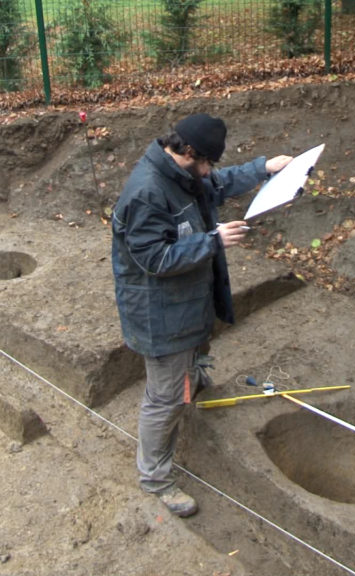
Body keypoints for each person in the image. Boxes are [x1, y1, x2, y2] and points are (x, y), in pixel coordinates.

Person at [111, 113, 292, 517]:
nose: (210, 171)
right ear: (188, 151)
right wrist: (212, 240)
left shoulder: (181, 174)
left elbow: (218, 183)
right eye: (207, 161)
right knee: (164, 399)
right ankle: (155, 478)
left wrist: (264, 168)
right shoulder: (147, 192)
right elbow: (153, 259)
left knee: (188, 368)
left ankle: (192, 382)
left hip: (185, 305)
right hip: (160, 316)